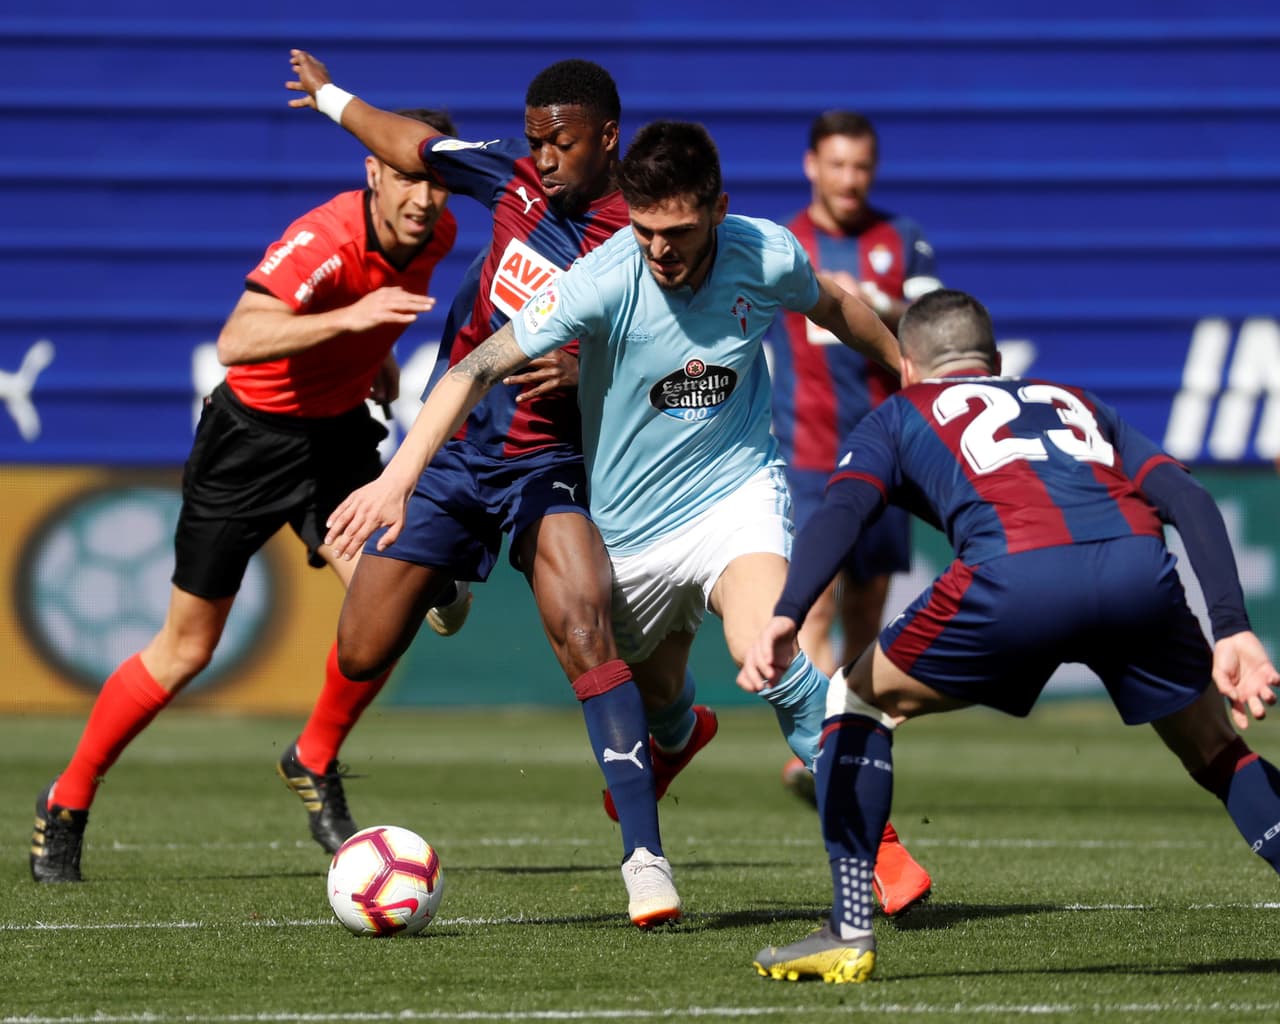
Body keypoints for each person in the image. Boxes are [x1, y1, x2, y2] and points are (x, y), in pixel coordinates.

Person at [323, 119, 933, 922]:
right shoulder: (602, 278)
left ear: (719, 208)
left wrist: (903, 365)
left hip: (734, 498)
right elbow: (475, 366)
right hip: (631, 531)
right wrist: (400, 478)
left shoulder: (765, 253)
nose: (659, 251)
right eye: (645, 231)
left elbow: (834, 303)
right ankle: (678, 733)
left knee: (775, 655)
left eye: (677, 232)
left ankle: (879, 850)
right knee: (658, 693)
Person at [742, 289, 1280, 983]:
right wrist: (1232, 629)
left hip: (1014, 579)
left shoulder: (900, 411)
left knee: (856, 700)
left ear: (907, 367)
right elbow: (1189, 498)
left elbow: (844, 507)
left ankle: (848, 928)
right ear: (995, 362)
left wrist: (788, 610)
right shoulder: (1075, 401)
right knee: (1216, 749)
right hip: (1136, 571)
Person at [286, 51, 695, 929]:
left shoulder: (644, 233)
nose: (543, 157)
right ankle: (445, 572)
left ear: (608, 140)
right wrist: (330, 97)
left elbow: (681, 356)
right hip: (456, 453)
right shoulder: (508, 173)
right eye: (537, 138)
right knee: (360, 651)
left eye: (561, 142)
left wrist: (588, 363)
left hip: (554, 462)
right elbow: (410, 143)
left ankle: (645, 858)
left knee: (585, 628)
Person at [29, 109, 459, 883]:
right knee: (186, 649)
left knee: (388, 607)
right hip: (248, 444)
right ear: (372, 171)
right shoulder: (324, 240)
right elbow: (238, 340)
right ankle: (66, 799)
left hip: (335, 444)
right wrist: (353, 320)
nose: (424, 198)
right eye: (406, 176)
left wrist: (375, 355)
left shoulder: (438, 233)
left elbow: (376, 315)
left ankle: (313, 755)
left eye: (435, 179)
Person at [769, 111, 941, 824]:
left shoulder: (898, 239)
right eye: (837, 165)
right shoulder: (783, 243)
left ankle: (853, 727)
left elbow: (938, 320)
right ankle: (815, 745)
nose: (849, 179)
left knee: (870, 601)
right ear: (812, 165)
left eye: (860, 167)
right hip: (806, 451)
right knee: (816, 600)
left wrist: (873, 304)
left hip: (887, 447)